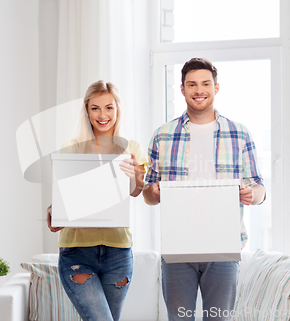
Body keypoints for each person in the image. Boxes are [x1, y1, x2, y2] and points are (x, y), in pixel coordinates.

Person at [143, 57, 266, 321]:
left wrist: (251, 194)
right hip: (178, 246)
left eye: (205, 84)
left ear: (216, 87)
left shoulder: (239, 134)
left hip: (223, 245)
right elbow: (147, 193)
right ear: (182, 89)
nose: (199, 90)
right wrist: (153, 193)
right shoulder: (162, 135)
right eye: (192, 84)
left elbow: (259, 188)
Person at [46, 80, 146, 321]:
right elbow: (62, 196)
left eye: (109, 107)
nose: (103, 115)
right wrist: (54, 211)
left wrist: (134, 175)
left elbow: (137, 191)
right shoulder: (72, 148)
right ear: (87, 110)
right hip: (77, 252)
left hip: (118, 253)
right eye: (95, 108)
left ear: (117, 110)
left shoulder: (131, 148)